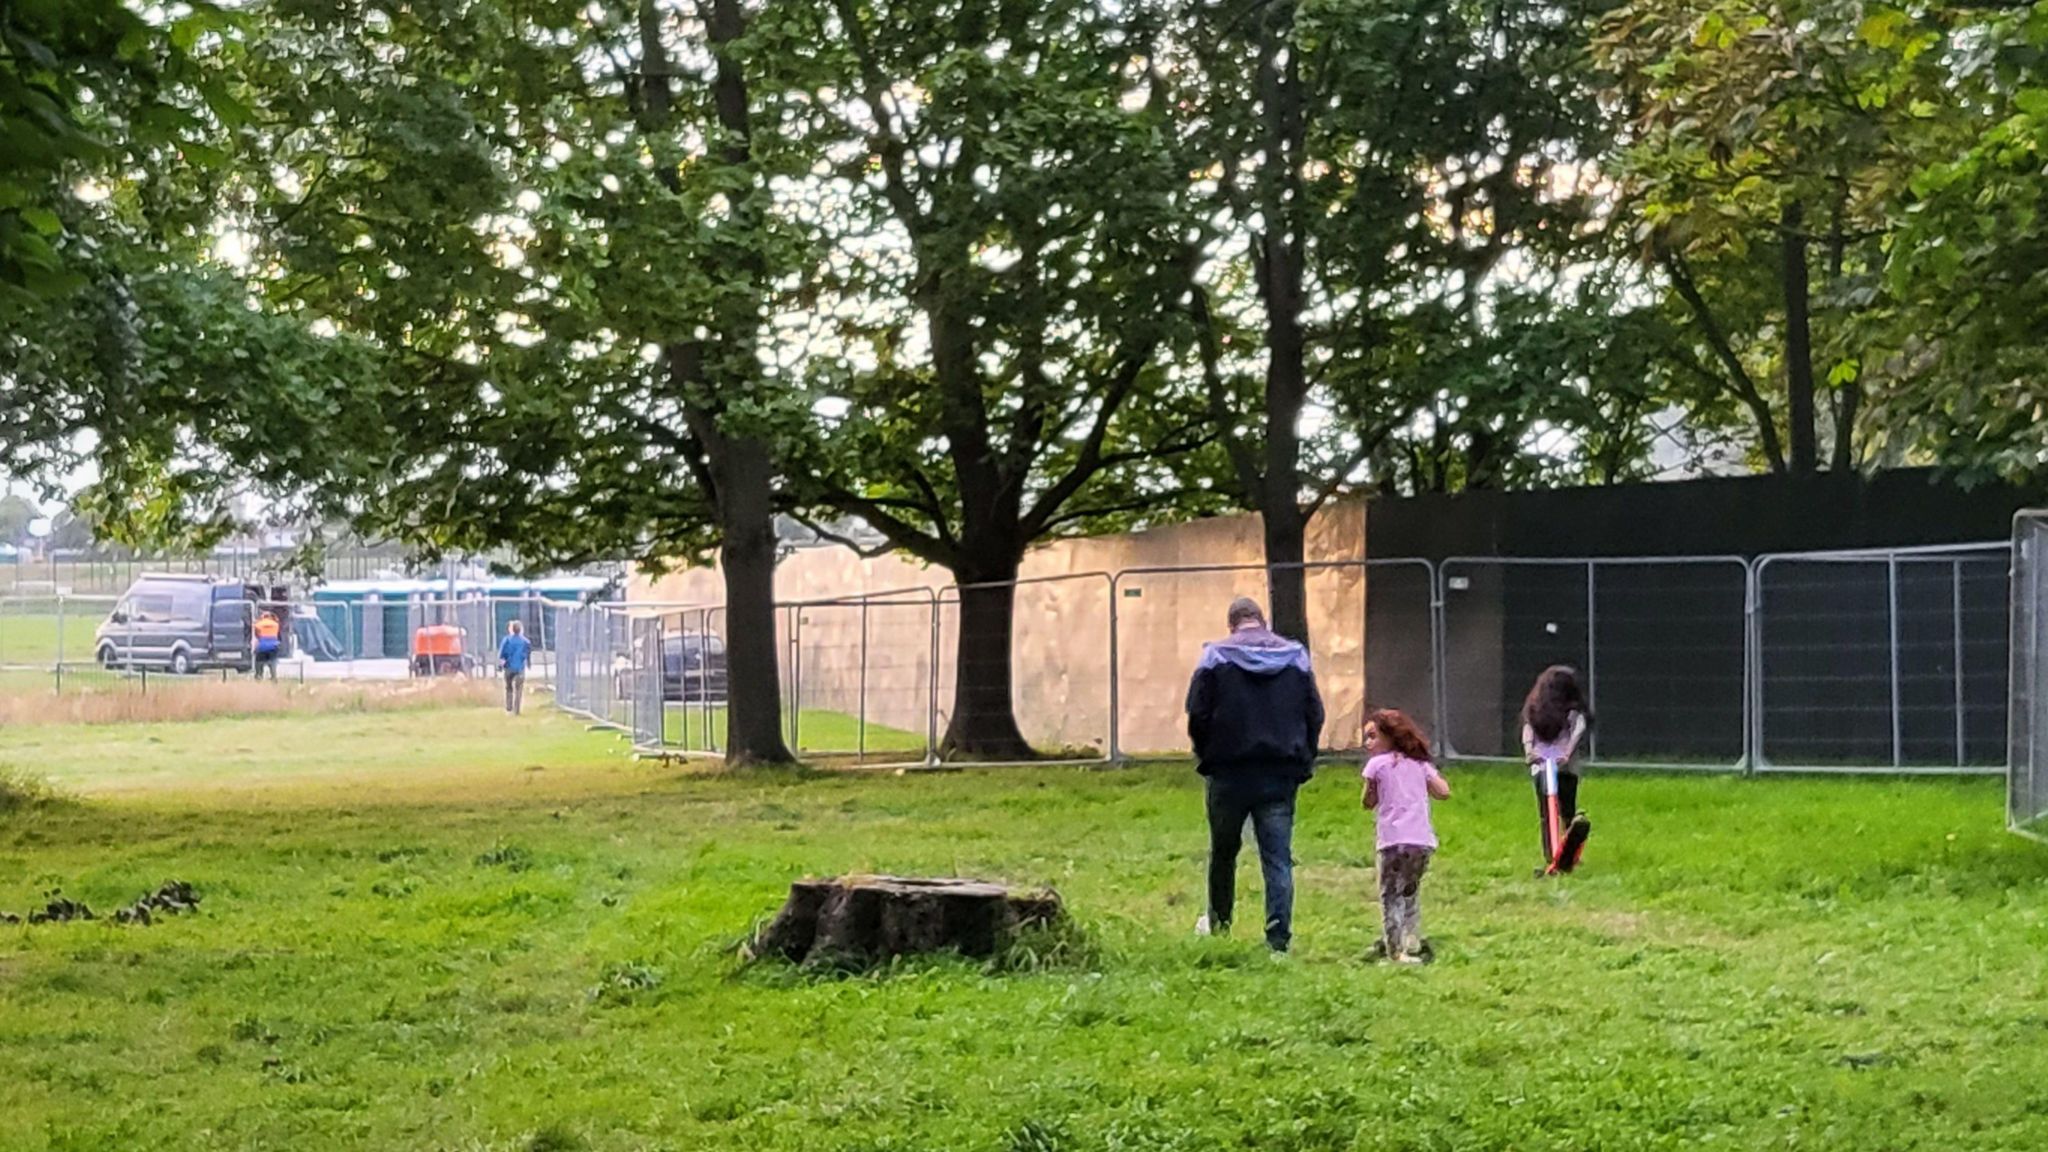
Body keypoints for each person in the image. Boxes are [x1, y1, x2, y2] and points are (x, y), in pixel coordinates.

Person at [1185, 596, 1324, 953]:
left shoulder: (1215, 655)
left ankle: (1219, 927)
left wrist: (1207, 755)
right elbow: (1315, 714)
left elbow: (1197, 713)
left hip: (1229, 770)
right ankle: (1278, 940)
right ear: (1262, 621)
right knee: (1278, 858)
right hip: (1280, 771)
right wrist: (1304, 757)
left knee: (1223, 852)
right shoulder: (1295, 655)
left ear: (1231, 623)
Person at [1362, 709, 1450, 964]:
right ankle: (1412, 941)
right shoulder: (1421, 765)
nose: (1367, 743)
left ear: (1390, 737)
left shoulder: (1376, 765)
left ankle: (1395, 952)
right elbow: (1443, 792)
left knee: (1390, 895)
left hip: (1391, 841)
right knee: (1410, 891)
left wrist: (1377, 788)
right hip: (1421, 841)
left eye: (1372, 736)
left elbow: (1367, 801)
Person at [1522, 664, 1592, 873]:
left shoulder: (1573, 714)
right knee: (1548, 811)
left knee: (1566, 810)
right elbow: (1528, 730)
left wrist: (1567, 753)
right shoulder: (1535, 710)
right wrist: (1529, 752)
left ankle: (1568, 851)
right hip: (1542, 768)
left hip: (1565, 769)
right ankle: (1552, 853)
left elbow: (1578, 730)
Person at [499, 619, 533, 716]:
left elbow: (502, 654)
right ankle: (517, 710)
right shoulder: (526, 642)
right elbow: (527, 654)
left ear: (512, 630)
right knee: (519, 689)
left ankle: (509, 708)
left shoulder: (507, 640)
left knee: (509, 687)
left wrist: (500, 665)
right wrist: (529, 664)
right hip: (520, 668)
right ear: (521, 630)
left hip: (509, 667)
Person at [252, 610, 283, 681]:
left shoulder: (258, 624)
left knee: (259, 662)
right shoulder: (276, 624)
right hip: (273, 647)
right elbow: (279, 636)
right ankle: (273, 676)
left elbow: (257, 635)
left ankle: (259, 675)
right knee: (273, 662)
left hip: (262, 647)